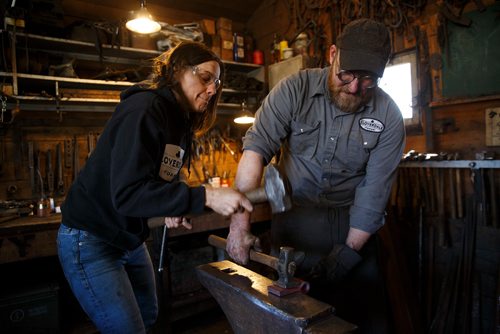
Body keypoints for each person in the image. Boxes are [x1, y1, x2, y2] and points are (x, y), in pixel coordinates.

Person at [57, 41, 253, 334]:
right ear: (177, 70)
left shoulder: (178, 121)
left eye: (217, 83)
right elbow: (128, 194)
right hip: (91, 239)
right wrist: (207, 195)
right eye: (205, 78)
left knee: (149, 316)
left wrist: (175, 202)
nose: (213, 90)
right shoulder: (145, 109)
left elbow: (166, 172)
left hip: (129, 238)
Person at [226, 18, 405, 333]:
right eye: (347, 74)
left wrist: (349, 253)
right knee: (291, 319)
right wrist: (239, 228)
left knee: (360, 320)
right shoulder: (295, 89)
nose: (354, 87)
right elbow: (256, 149)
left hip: (352, 227)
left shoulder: (388, 116)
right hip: (295, 223)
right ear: (333, 54)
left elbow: (374, 192)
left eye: (368, 80)